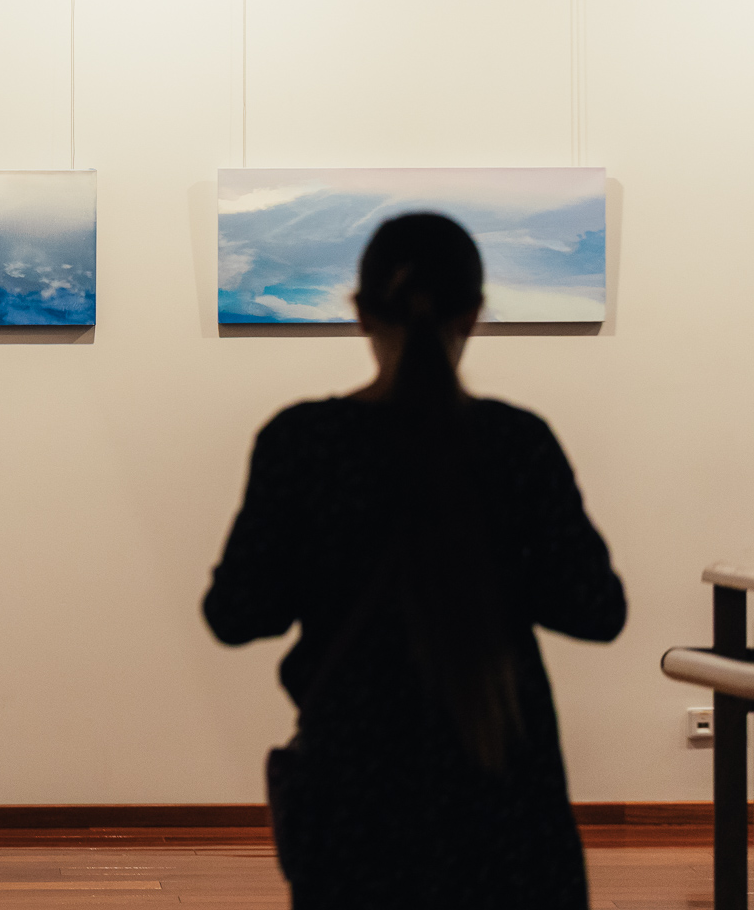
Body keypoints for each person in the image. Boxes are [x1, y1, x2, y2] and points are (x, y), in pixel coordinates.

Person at [202, 212, 626, 909]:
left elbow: (236, 614)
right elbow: (597, 610)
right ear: (474, 313)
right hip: (505, 788)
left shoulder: (304, 444)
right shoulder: (517, 444)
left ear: (361, 312)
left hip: (357, 791)